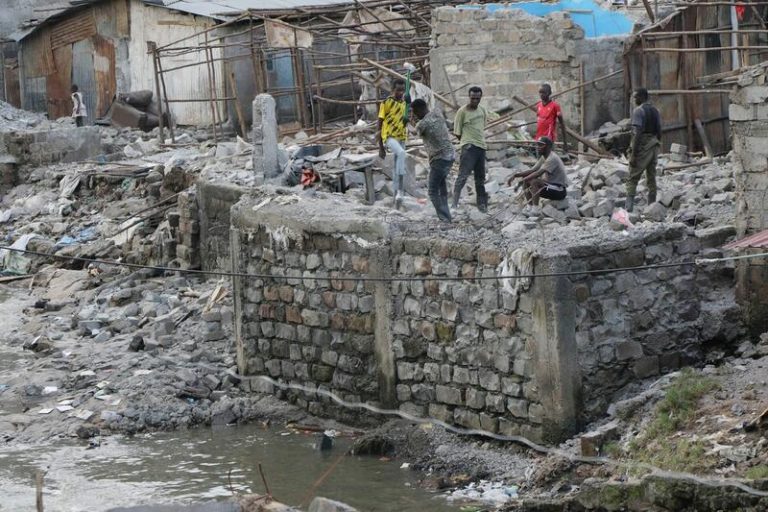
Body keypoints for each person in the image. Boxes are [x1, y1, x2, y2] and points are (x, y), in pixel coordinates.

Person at [452, 86, 498, 213]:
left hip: (481, 147)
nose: (475, 101)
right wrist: (466, 142)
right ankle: (454, 204)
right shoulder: (462, 112)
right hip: (469, 147)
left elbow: (482, 127)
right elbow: (457, 132)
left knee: (480, 178)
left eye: (477, 98)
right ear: (469, 97)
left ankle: (482, 205)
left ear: (480, 98)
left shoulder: (482, 110)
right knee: (463, 176)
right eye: (473, 98)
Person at [412, 98, 454, 223]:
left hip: (439, 159)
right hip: (450, 155)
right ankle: (447, 215)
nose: (415, 116)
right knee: (441, 187)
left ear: (419, 110)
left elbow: (415, 131)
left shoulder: (423, 124)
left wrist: (407, 121)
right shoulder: (437, 113)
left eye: (415, 113)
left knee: (432, 191)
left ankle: (444, 218)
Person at [626, 87, 661, 212]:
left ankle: (628, 208)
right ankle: (652, 207)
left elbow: (638, 133)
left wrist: (634, 155)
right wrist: (656, 144)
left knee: (632, 177)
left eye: (635, 97)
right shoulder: (655, 110)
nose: (634, 99)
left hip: (643, 145)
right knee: (651, 177)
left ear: (641, 97)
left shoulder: (638, 111)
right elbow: (659, 131)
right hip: (654, 145)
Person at [506, 136, 567, 206]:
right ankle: (530, 207)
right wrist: (516, 175)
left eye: (541, 145)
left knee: (534, 182)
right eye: (537, 145)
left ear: (548, 146)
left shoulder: (552, 158)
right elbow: (532, 170)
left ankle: (535, 209)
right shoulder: (544, 157)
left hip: (559, 190)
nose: (538, 147)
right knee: (527, 180)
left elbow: (538, 173)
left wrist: (520, 182)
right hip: (550, 186)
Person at [377, 78, 410, 208]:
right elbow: (379, 125)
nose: (400, 93)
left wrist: (407, 120)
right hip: (389, 137)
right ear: (392, 90)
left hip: (402, 138)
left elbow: (405, 121)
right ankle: (400, 190)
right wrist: (381, 147)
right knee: (401, 154)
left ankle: (396, 198)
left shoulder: (404, 104)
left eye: (402, 90)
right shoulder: (386, 103)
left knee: (397, 168)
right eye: (398, 90)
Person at [535, 83, 566, 148]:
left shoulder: (555, 106)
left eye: (543, 92)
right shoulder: (538, 105)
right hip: (538, 138)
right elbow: (539, 122)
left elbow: (562, 124)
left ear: (549, 93)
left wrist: (565, 143)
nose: (541, 94)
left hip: (548, 138)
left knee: (548, 153)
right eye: (540, 92)